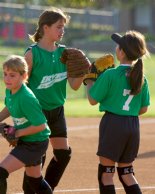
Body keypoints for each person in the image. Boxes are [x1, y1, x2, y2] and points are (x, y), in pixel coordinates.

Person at [23, 7, 87, 193]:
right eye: (58, 27)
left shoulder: (65, 54)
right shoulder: (32, 54)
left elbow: (74, 85)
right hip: (37, 112)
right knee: (37, 156)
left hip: (57, 110)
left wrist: (84, 71)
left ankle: (46, 189)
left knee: (63, 154)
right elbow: (20, 86)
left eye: (63, 28)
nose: (62, 31)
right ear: (45, 27)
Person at [85, 30, 150, 194]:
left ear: (121, 52)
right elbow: (143, 108)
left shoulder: (110, 74)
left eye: (118, 46)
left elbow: (92, 100)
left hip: (113, 124)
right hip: (133, 126)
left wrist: (90, 79)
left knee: (106, 174)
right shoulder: (142, 77)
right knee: (127, 173)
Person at [0, 55, 52, 194]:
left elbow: (41, 125)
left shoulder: (26, 97)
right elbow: (9, 107)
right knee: (35, 180)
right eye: (5, 74)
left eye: (12, 75)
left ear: (24, 76)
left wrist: (16, 132)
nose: (7, 79)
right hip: (28, 141)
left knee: (0, 173)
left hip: (35, 143)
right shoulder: (10, 90)